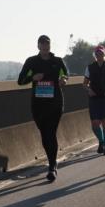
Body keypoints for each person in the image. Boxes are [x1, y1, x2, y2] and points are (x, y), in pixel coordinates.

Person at [17, 34, 69, 182]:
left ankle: (52, 166)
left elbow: (66, 75)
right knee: (44, 135)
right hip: (38, 105)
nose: (46, 48)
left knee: (51, 133)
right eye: (43, 45)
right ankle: (52, 161)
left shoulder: (57, 61)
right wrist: (32, 78)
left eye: (48, 46)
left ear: (50, 46)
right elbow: (20, 81)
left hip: (55, 103)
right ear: (38, 46)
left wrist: (63, 80)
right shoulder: (32, 62)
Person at [85, 45, 105, 155]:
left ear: (104, 54)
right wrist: (88, 90)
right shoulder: (90, 67)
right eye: (97, 54)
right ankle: (101, 142)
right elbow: (84, 84)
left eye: (101, 53)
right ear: (94, 55)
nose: (99, 55)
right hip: (94, 98)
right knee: (95, 123)